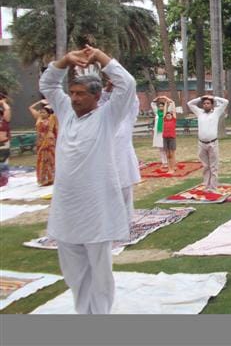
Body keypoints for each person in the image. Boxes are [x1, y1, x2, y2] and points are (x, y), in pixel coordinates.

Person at [39, 45, 136, 314]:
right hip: (66, 207)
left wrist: (100, 57)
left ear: (96, 96)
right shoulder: (65, 112)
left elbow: (127, 84)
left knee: (100, 272)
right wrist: (65, 61)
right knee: (74, 272)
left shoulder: (107, 116)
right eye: (72, 92)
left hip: (96, 209)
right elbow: (47, 84)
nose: (74, 98)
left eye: (81, 93)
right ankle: (84, 314)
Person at [99, 79, 141, 224]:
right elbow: (100, 103)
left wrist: (125, 86)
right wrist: (108, 89)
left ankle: (126, 222)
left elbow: (134, 103)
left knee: (125, 193)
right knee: (107, 194)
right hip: (105, 163)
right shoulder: (102, 119)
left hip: (124, 162)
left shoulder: (127, 119)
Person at [187, 94, 229, 189]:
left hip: (212, 143)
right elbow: (189, 103)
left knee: (213, 166)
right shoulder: (199, 112)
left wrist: (213, 98)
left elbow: (226, 102)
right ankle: (206, 184)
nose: (206, 105)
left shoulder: (216, 112)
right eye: (204, 103)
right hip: (201, 143)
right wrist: (200, 98)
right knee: (205, 165)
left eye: (208, 103)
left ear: (212, 104)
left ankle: (213, 186)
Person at [28, 100, 58, 186]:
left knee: (50, 160)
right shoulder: (39, 118)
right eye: (40, 112)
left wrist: (49, 103)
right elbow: (30, 107)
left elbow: (56, 129)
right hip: (40, 142)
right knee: (41, 160)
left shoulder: (52, 118)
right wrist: (39, 102)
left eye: (44, 112)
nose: (41, 113)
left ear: (48, 113)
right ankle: (43, 179)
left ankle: (51, 178)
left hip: (49, 141)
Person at [150, 96, 168, 168]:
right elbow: (152, 104)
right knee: (160, 148)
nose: (160, 107)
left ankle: (168, 161)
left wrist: (166, 100)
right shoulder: (157, 113)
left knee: (165, 147)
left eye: (162, 106)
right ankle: (163, 162)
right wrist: (156, 99)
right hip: (158, 133)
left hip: (164, 132)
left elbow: (170, 105)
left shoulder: (166, 114)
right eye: (159, 106)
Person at [160, 99, 177, 174]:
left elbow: (174, 111)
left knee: (172, 154)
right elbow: (164, 112)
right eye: (167, 115)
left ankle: (172, 168)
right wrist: (166, 104)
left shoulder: (173, 120)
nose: (168, 116)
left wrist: (172, 103)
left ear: (171, 116)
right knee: (168, 154)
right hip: (165, 138)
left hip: (172, 138)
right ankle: (169, 168)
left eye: (169, 115)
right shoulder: (165, 120)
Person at [0, 95, 11, 164]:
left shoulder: (5, 119)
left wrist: (3, 102)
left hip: (4, 142)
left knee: (4, 162)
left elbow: (7, 109)